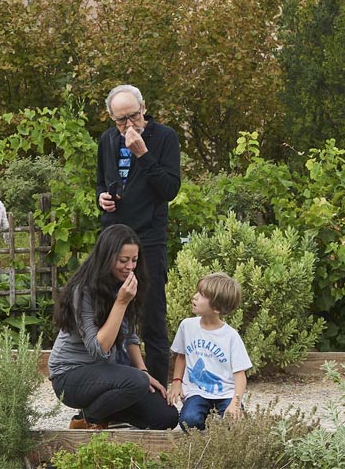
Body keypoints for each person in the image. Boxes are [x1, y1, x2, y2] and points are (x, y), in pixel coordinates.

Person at [48, 224, 179, 430]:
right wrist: (121, 303)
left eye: (134, 260)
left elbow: (131, 336)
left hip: (108, 374)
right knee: (136, 382)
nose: (130, 267)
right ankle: (89, 418)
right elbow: (99, 349)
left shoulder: (127, 282)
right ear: (106, 257)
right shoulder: (83, 290)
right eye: (123, 260)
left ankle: (105, 412)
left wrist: (143, 371)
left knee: (166, 417)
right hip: (71, 375)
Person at [96, 84, 181, 384]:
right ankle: (110, 388)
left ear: (143, 108)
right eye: (121, 120)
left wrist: (142, 154)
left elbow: (169, 189)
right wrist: (101, 198)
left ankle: (157, 395)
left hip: (149, 239)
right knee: (105, 313)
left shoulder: (164, 138)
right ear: (111, 119)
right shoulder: (107, 140)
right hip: (114, 238)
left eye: (133, 116)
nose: (129, 125)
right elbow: (99, 181)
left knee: (152, 319)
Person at [167, 272, 252, 430]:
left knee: (234, 426)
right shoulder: (187, 326)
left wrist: (236, 402)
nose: (195, 297)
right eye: (197, 292)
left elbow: (240, 375)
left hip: (226, 393)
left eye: (202, 295)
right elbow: (182, 356)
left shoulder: (231, 336)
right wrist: (176, 382)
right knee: (188, 422)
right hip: (196, 392)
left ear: (217, 307)